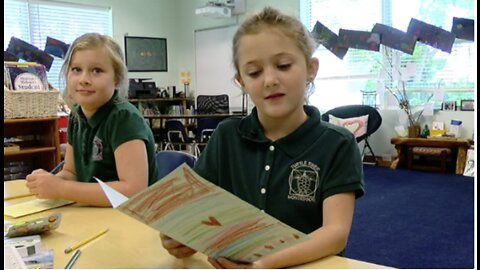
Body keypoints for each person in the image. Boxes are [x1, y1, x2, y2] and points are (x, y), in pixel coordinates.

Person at [160, 7, 364, 269]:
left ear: (311, 68)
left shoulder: (338, 143)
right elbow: (195, 214)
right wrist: (180, 236)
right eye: (254, 72)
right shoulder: (226, 136)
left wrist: (264, 264)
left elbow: (335, 234)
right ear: (241, 81)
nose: (269, 80)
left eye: (283, 66)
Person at [26, 33, 158, 207]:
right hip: (95, 215)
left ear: (116, 78)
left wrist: (62, 189)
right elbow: (71, 172)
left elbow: (132, 192)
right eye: (76, 70)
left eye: (96, 71)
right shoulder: (76, 116)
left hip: (135, 219)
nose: (84, 80)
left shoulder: (124, 118)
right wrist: (49, 183)